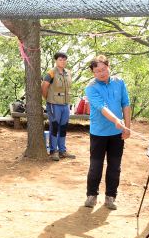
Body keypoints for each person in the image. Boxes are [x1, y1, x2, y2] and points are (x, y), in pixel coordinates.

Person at [84, 55, 131, 211]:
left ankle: (111, 196)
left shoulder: (119, 82)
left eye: (104, 69)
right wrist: (117, 120)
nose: (101, 73)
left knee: (115, 166)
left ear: (109, 67)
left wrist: (127, 126)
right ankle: (91, 195)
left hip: (117, 133)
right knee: (96, 166)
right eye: (97, 71)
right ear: (92, 73)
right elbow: (102, 107)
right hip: (98, 132)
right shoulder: (91, 88)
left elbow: (126, 104)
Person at [42, 52, 76, 161]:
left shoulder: (68, 73)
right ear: (56, 61)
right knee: (55, 126)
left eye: (64, 59)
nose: (63, 62)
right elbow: (44, 88)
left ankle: (62, 150)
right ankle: (53, 150)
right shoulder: (51, 73)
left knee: (64, 127)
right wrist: (48, 100)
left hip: (65, 105)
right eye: (60, 59)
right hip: (54, 104)